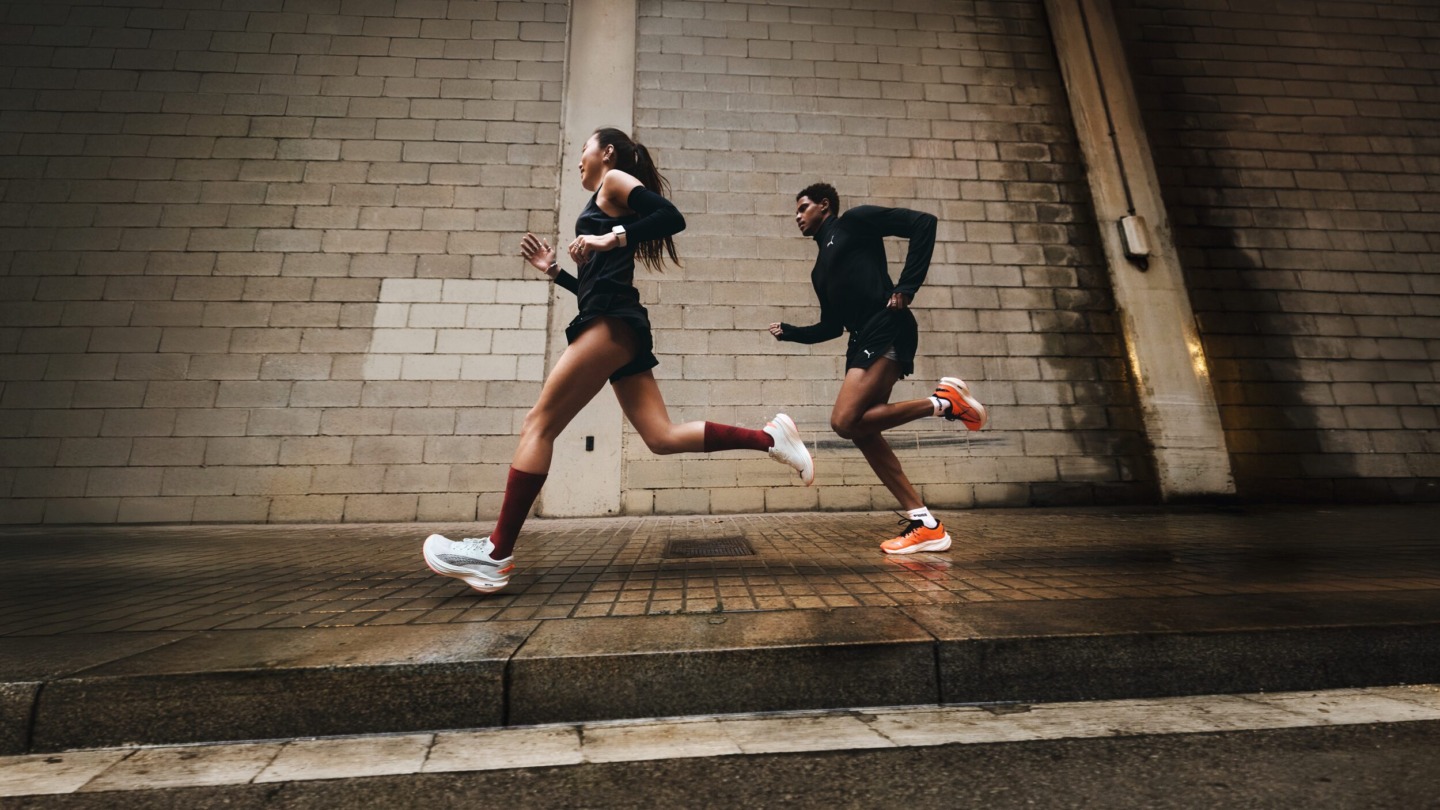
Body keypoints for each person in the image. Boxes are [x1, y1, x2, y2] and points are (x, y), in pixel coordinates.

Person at [423, 128, 813, 594]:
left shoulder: (614, 182)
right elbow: (596, 287)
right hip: (613, 320)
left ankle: (495, 553)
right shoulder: (605, 199)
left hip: (611, 324)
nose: (579, 160)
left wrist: (612, 237)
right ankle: (770, 438)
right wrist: (557, 274)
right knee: (661, 437)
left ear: (606, 152)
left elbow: (672, 217)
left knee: (538, 425)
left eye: (583, 150)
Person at [769, 182, 987, 555]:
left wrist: (907, 286)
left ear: (825, 206)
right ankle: (926, 524)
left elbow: (924, 223)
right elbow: (830, 327)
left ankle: (945, 402)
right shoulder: (820, 270)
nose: (797, 216)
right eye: (796, 211)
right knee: (863, 430)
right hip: (861, 338)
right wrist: (790, 333)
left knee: (843, 422)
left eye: (804, 208)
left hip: (887, 323)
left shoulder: (854, 222)